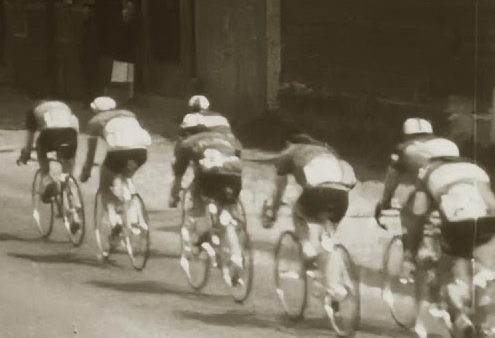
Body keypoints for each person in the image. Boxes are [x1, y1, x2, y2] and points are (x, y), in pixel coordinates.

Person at [411, 149, 495, 338]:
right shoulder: (474, 168)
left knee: (444, 270)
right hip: (489, 221)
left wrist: (414, 242)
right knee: (474, 261)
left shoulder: (428, 171)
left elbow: (419, 212)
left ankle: (462, 322)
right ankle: (480, 314)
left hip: (459, 222)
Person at [260, 133, 358, 305]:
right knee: (328, 236)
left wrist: (273, 211)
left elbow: (280, 186)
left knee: (298, 212)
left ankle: (307, 247)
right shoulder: (329, 151)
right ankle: (333, 278)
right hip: (341, 195)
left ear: (290, 142)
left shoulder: (290, 152)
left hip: (316, 193)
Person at [372, 118, 460, 277]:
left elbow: (393, 178)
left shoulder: (406, 148)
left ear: (406, 135)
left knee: (410, 213)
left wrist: (385, 202)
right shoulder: (448, 144)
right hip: (458, 190)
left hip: (430, 188)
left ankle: (409, 257)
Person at [170, 126, 246, 281]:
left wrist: (174, 196)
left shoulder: (188, 143)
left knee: (197, 196)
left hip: (209, 177)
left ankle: (203, 233)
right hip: (234, 176)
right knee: (226, 211)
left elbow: (179, 175)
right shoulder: (226, 138)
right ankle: (236, 252)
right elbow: (237, 155)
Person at [81, 96, 153, 244]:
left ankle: (118, 211)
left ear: (95, 110)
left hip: (118, 153)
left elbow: (91, 153)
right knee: (127, 176)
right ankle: (133, 210)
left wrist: (86, 171)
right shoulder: (128, 114)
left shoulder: (95, 121)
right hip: (141, 152)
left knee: (105, 186)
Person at [16, 99, 81, 210]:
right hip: (70, 134)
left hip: (49, 134)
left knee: (42, 153)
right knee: (68, 168)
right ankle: (74, 197)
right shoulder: (63, 105)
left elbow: (30, 139)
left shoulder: (33, 110)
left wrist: (26, 154)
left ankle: (48, 181)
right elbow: (74, 123)